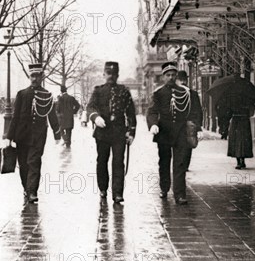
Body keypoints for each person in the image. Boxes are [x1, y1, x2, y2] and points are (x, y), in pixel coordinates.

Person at [7, 63, 61, 203]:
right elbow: (15, 116)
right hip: (21, 135)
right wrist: (10, 136)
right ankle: (26, 188)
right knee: (23, 165)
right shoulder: (22, 94)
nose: (34, 79)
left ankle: (32, 192)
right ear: (29, 76)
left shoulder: (47, 95)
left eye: (37, 76)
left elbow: (52, 115)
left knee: (34, 162)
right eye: (32, 76)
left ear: (42, 76)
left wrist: (57, 133)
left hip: (38, 136)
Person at [147, 62, 197, 205]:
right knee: (164, 162)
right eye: (168, 75)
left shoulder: (186, 92)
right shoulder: (158, 93)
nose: (171, 77)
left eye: (173, 75)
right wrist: (153, 125)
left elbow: (195, 111)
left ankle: (180, 194)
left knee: (180, 163)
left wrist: (194, 127)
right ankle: (164, 188)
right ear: (163, 77)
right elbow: (152, 111)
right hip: (164, 132)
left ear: (176, 76)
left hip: (181, 132)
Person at [87, 61, 137, 204]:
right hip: (102, 133)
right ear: (104, 74)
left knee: (118, 163)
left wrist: (131, 132)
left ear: (117, 75)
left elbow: (131, 113)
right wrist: (95, 117)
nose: (111, 76)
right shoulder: (98, 90)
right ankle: (102, 188)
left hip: (119, 133)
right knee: (102, 161)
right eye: (108, 73)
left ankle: (118, 193)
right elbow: (90, 107)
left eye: (114, 74)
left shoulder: (124, 91)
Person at [216, 75, 255, 170]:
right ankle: (242, 160)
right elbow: (251, 110)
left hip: (235, 120)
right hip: (244, 120)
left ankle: (239, 161)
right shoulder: (247, 96)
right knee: (243, 140)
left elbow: (227, 111)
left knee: (236, 140)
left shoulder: (231, 96)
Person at [175, 70, 203, 171]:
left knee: (187, 145)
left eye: (183, 80)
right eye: (180, 80)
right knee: (182, 145)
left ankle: (184, 165)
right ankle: (182, 164)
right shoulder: (174, 93)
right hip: (182, 124)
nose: (182, 82)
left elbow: (198, 111)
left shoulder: (193, 94)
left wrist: (199, 127)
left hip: (188, 124)